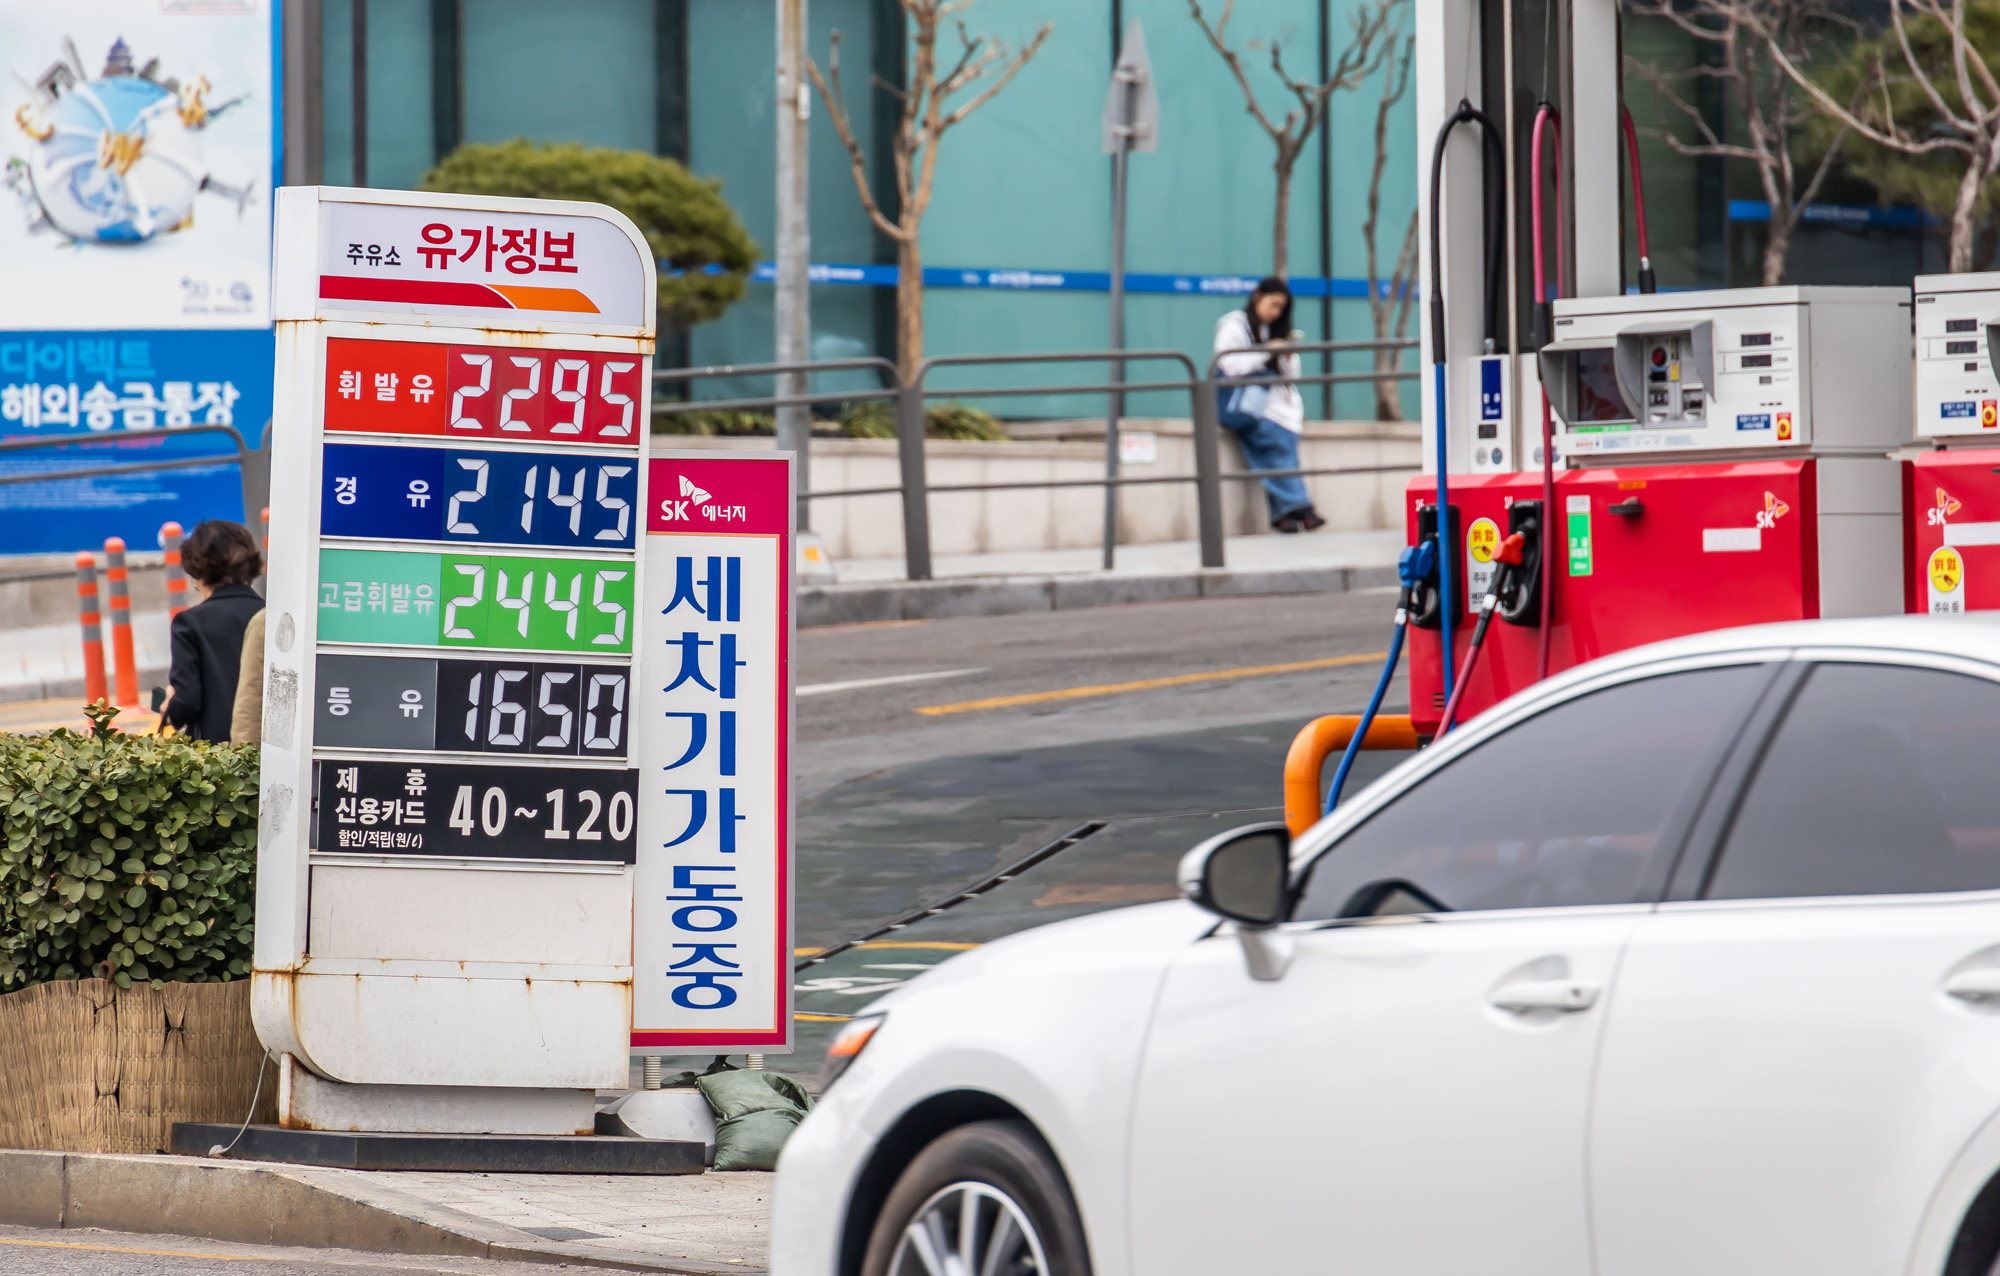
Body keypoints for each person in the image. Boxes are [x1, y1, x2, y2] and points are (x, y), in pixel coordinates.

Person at [1213, 277, 1326, 533]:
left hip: (1277, 408)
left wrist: (1285, 353)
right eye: (1272, 304)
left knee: (1276, 455)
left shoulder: (1274, 329)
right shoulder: (1234, 325)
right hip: (1251, 407)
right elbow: (1229, 364)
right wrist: (1267, 350)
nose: (1275, 312)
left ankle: (1284, 517)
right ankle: (1301, 507)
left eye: (1280, 308)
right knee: (1276, 451)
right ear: (1257, 297)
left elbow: (1292, 376)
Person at [163, 520, 264, 742]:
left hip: (215, 759)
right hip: (267, 748)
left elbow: (187, 700)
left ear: (196, 570)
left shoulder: (189, 622)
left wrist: (170, 708)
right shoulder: (268, 615)